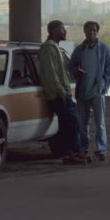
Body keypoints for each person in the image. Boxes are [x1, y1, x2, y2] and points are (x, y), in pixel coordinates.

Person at [38, 20, 85, 165]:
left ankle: (74, 153)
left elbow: (60, 72)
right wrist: (62, 93)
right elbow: (51, 74)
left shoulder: (56, 48)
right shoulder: (48, 48)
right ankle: (72, 154)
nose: (65, 31)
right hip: (59, 94)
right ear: (53, 30)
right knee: (71, 123)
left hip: (63, 92)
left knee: (70, 123)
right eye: (62, 28)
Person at [69, 21, 110, 162]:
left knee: (100, 123)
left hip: (97, 91)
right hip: (82, 90)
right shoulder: (79, 50)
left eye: (94, 30)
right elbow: (70, 67)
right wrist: (75, 71)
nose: (92, 32)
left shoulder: (104, 49)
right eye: (89, 30)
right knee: (82, 123)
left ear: (97, 32)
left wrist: (104, 87)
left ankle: (101, 150)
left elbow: (109, 71)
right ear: (84, 31)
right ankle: (83, 149)